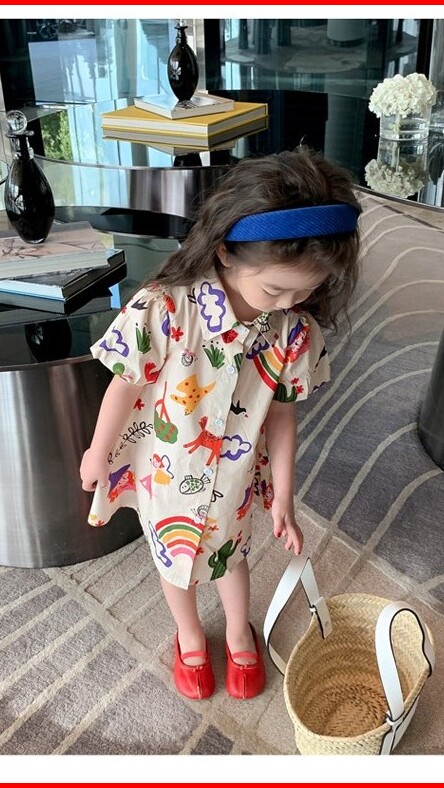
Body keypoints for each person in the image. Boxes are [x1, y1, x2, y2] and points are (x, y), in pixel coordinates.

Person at [79, 147, 361, 700]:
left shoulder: (292, 332)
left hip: (233, 475)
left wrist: (284, 495)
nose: (288, 302)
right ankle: (188, 635)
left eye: (305, 290)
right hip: (166, 468)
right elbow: (126, 382)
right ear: (226, 251)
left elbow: (281, 414)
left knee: (231, 555)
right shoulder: (165, 308)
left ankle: (237, 632)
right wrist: (98, 450)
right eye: (275, 289)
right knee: (173, 560)